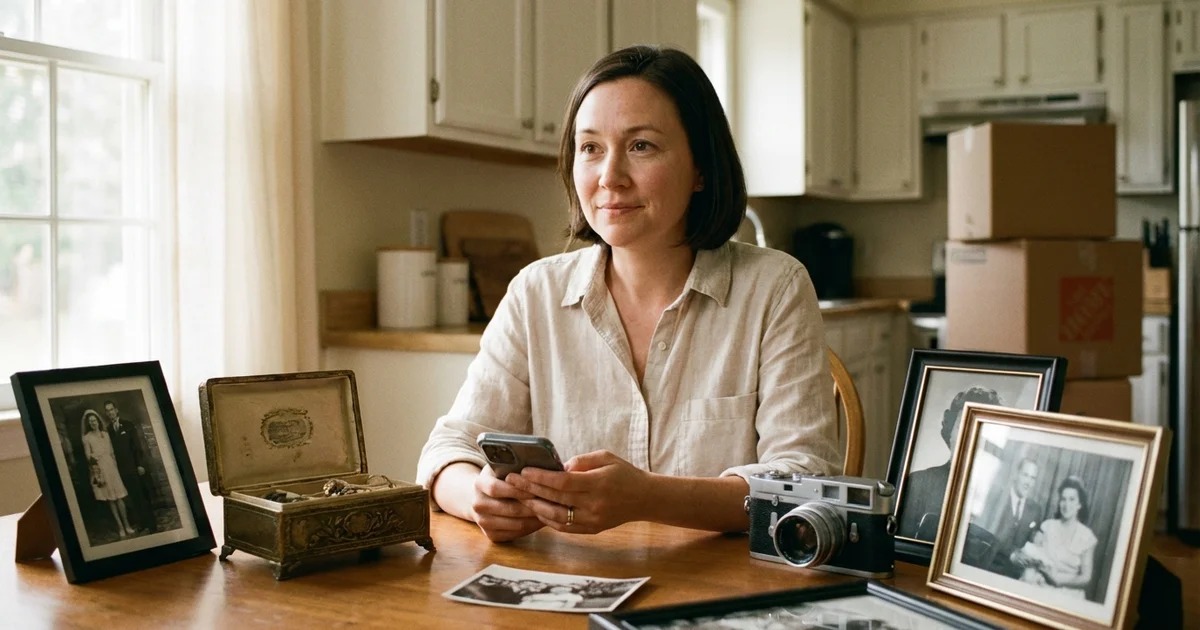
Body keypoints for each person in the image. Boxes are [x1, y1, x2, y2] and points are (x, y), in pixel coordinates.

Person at [415, 45, 840, 543]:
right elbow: (448, 448)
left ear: (701, 167)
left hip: (721, 592)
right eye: (590, 147)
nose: (609, 177)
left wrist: (647, 497)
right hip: (570, 590)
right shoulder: (536, 292)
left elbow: (805, 479)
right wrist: (478, 496)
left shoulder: (775, 288)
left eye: (641, 146)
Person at [897, 386, 1002, 541]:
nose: (970, 435)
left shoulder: (997, 501)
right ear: (950, 431)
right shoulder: (918, 483)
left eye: (981, 428)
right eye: (962, 425)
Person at [1011, 476, 1098, 598]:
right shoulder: (1048, 526)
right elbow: (1034, 554)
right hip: (1040, 584)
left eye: (1072, 499)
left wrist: (1058, 581)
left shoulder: (1087, 537)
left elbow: (1086, 577)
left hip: (1067, 593)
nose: (1066, 505)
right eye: (1063, 499)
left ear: (1079, 504)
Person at [970, 458, 1044, 577]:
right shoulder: (996, 498)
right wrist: (1011, 554)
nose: (1028, 483)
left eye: (1032, 478)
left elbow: (1031, 543)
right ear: (1016, 474)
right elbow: (983, 533)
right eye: (1025, 475)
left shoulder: (1035, 510)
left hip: (1013, 575)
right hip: (985, 566)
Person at [79, 409, 137, 539]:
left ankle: (127, 525)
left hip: (111, 467)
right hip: (100, 468)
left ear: (98, 421)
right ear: (88, 424)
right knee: (111, 499)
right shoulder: (86, 438)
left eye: (95, 420)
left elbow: (112, 453)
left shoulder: (105, 434)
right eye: (90, 421)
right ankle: (120, 527)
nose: (93, 423)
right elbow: (88, 456)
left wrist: (115, 465)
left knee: (119, 497)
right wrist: (96, 457)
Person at [104, 400, 155, 533]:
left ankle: (151, 525)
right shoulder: (108, 431)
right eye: (107, 411)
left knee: (142, 496)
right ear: (106, 414)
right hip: (121, 471)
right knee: (132, 498)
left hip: (134, 467)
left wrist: (139, 465)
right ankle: (142, 524)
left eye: (111, 410)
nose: (110, 413)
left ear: (116, 410)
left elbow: (136, 446)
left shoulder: (128, 425)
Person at [519, 585, 585, 609]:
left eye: (564, 587)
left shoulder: (574, 597)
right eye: (557, 587)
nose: (558, 588)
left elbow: (568, 606)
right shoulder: (548, 594)